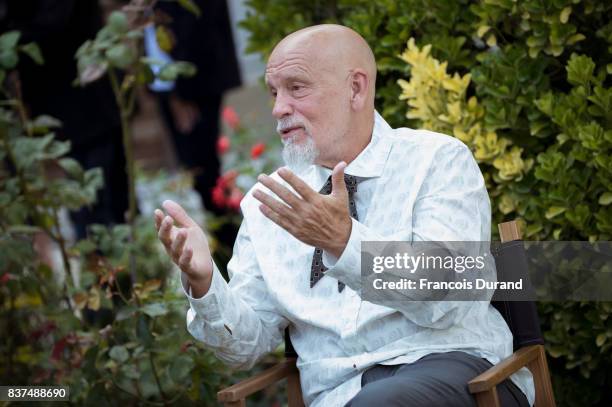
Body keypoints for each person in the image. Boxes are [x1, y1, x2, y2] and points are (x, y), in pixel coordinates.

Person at [155, 25, 534, 407]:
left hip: (458, 372)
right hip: (340, 395)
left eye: (296, 88)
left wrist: (345, 242)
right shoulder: (267, 204)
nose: (278, 108)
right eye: (274, 92)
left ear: (356, 88)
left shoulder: (436, 160)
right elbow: (245, 348)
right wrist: (203, 283)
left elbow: (449, 296)